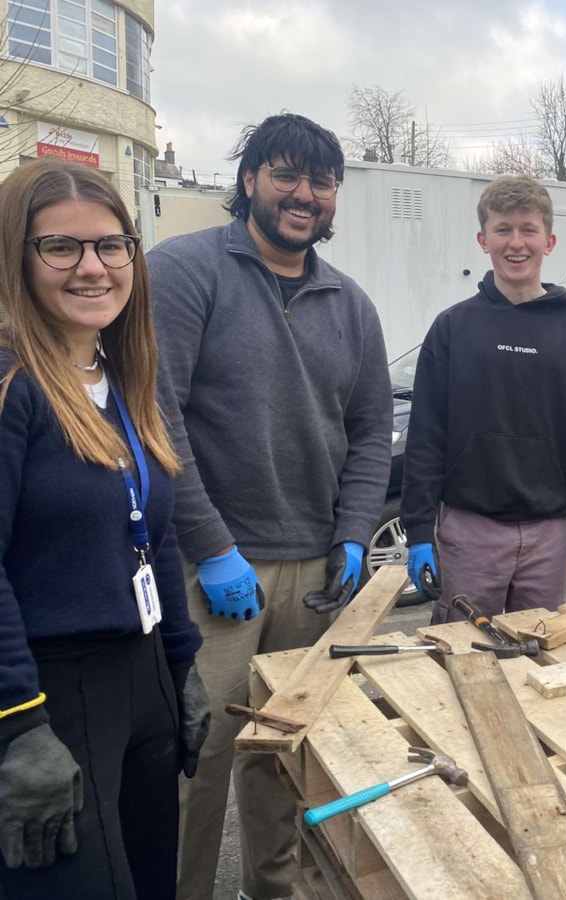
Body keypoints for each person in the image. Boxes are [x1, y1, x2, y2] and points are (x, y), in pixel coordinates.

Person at [148, 114, 392, 900]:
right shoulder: (184, 273)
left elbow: (369, 435)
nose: (305, 195)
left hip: (315, 569)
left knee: (282, 755)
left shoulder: (349, 303)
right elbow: (159, 413)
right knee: (199, 759)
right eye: (286, 174)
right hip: (212, 568)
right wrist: (210, 545)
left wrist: (354, 536)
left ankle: (272, 892)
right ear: (249, 179)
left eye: (321, 183)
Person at [0, 159, 208, 898]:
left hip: (141, 675)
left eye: (111, 246)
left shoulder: (120, 380)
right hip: (55, 690)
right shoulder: (12, 387)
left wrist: (182, 663)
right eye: (61, 247)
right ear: (16, 257)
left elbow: (160, 531)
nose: (93, 268)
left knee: (152, 882)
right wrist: (17, 725)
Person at [401, 175, 566, 623]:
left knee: (538, 656)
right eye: (503, 230)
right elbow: (425, 435)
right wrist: (420, 528)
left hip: (551, 534)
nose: (515, 243)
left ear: (549, 240)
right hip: (469, 530)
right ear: (483, 239)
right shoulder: (452, 329)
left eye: (528, 229)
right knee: (463, 656)